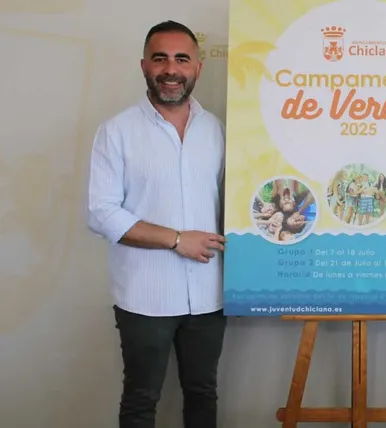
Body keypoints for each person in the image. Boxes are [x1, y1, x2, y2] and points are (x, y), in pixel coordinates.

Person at [86, 20, 227, 428]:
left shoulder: (215, 130)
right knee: (141, 399)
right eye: (160, 58)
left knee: (203, 394)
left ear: (197, 67)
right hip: (144, 296)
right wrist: (177, 239)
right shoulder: (117, 131)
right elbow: (100, 212)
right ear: (144, 65)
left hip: (209, 294)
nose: (170, 69)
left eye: (181, 59)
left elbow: (228, 205)